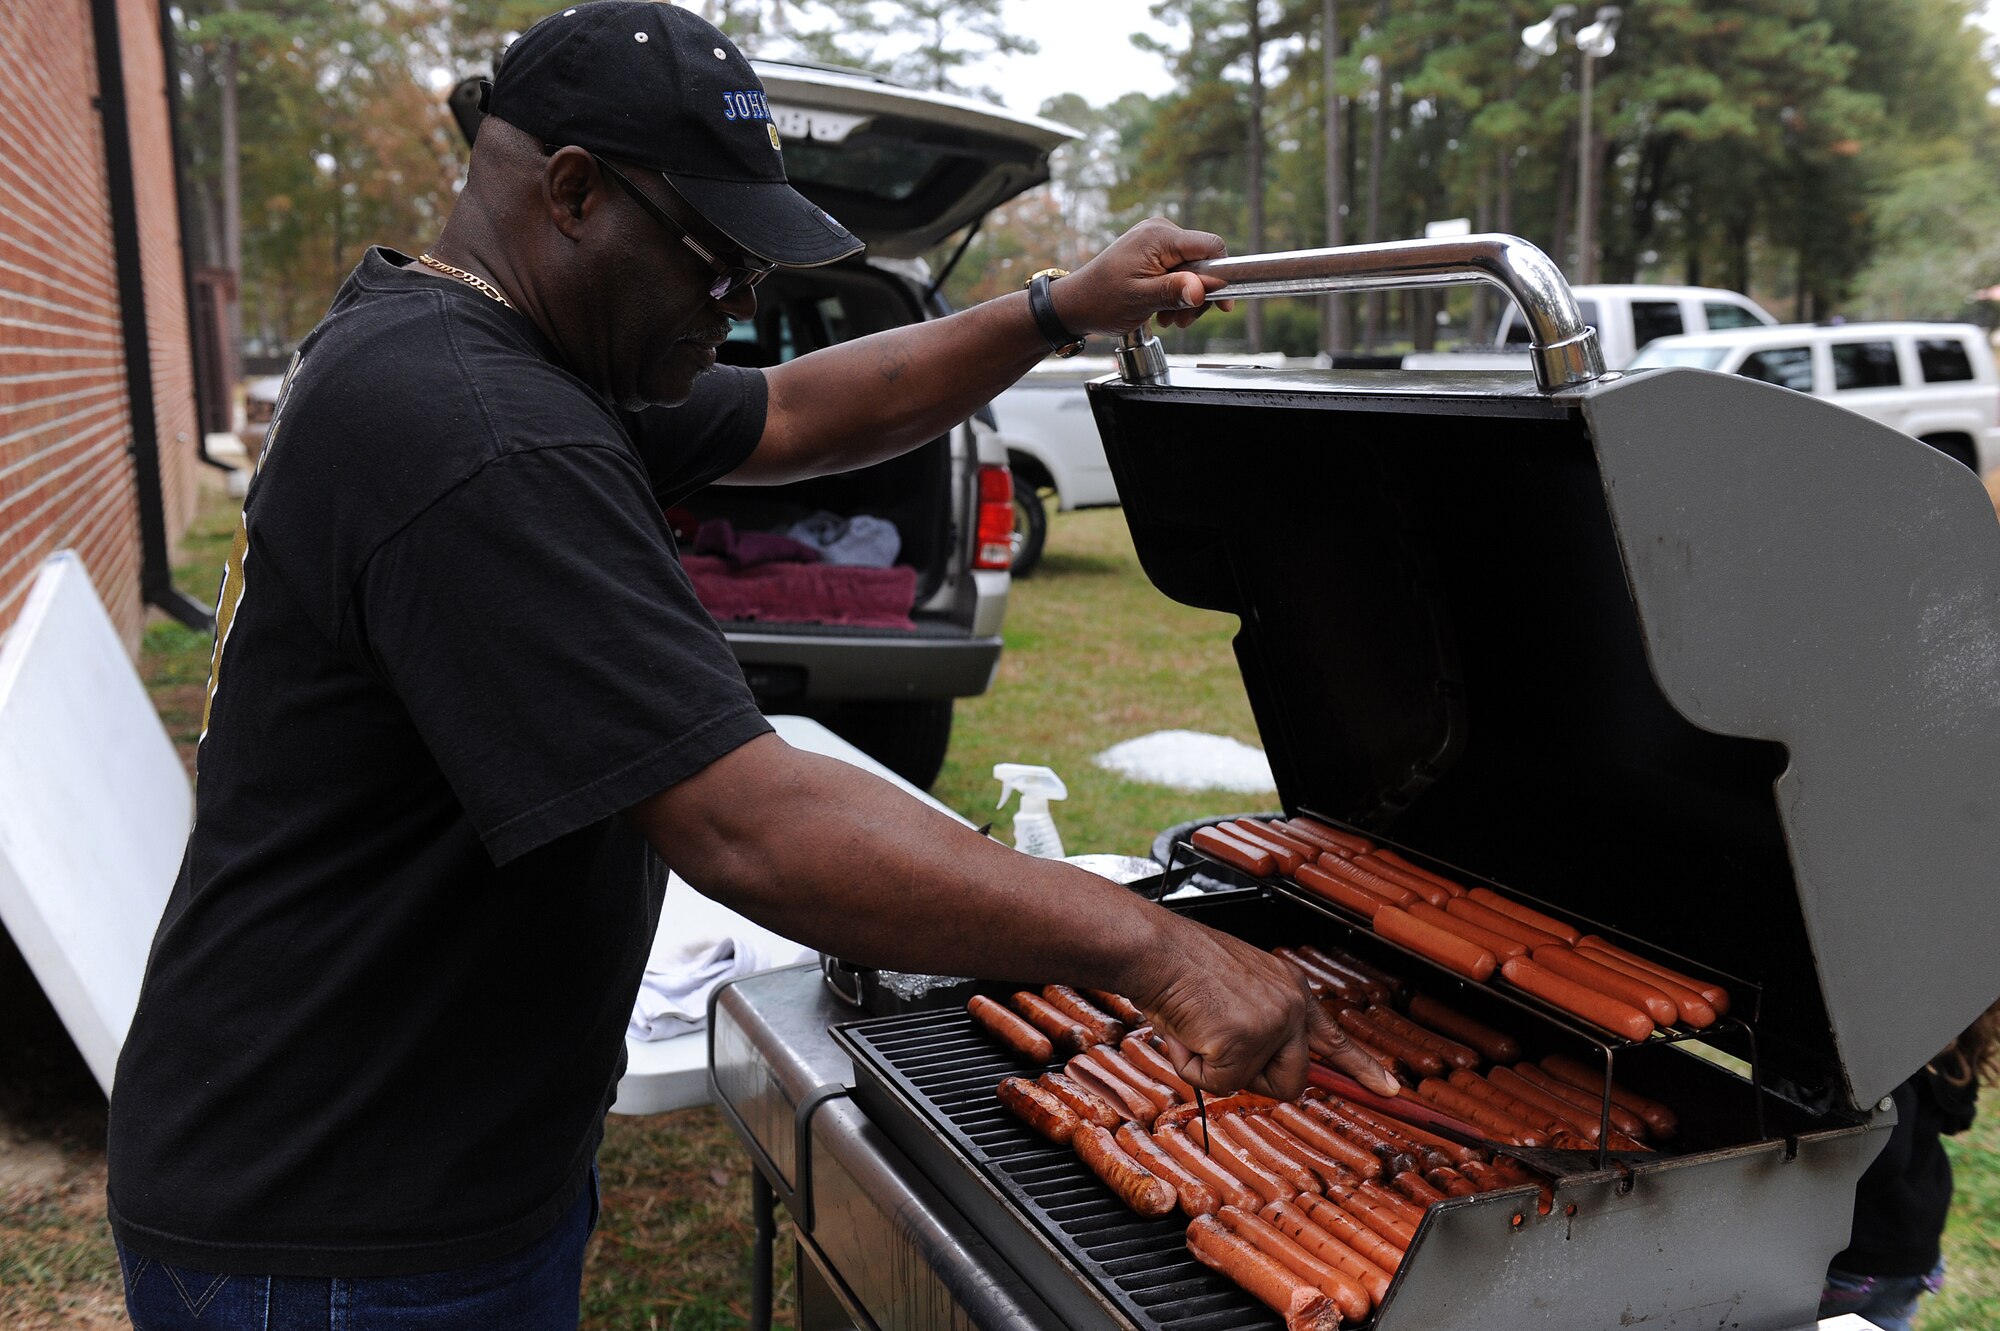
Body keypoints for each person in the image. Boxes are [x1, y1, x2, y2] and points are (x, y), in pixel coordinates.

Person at [104, 5, 1393, 1328]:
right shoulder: (479, 431)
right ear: (572, 191)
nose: (741, 301)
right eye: (716, 258)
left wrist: (1058, 306)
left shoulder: (489, 350)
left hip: (394, 1155)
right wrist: (1158, 947)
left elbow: (802, 410)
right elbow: (747, 823)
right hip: (333, 1220)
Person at [1818, 1002, 1998, 1331]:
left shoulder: (1885, 1055)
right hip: (1915, 1255)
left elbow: (1885, 1160)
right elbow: (1960, 1117)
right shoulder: (1944, 1048)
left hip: (1854, 1256)